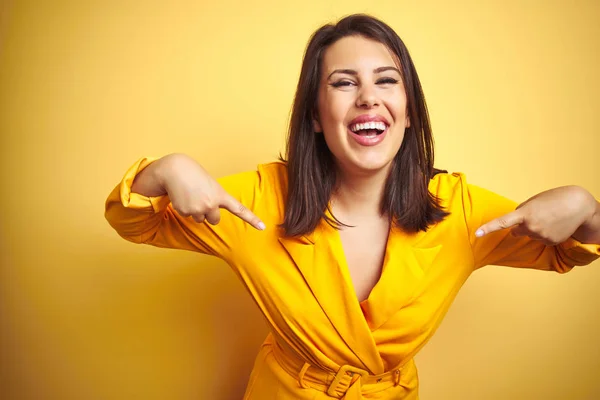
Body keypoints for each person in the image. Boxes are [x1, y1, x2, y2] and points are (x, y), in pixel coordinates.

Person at [104, 14, 600, 400]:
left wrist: (585, 206)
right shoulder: (258, 198)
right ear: (317, 117)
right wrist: (168, 169)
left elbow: (570, 249)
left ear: (408, 111)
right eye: (343, 83)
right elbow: (134, 220)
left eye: (387, 81)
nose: (367, 97)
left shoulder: (460, 208)